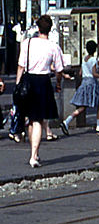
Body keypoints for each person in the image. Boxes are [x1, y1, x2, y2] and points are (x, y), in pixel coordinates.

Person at [15, 15, 70, 168]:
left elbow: (20, 66)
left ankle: (35, 152)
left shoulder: (27, 43)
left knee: (32, 120)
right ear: (50, 29)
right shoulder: (53, 47)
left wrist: (18, 86)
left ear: (38, 28)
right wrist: (58, 83)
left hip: (28, 81)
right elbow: (59, 69)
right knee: (39, 120)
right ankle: (33, 156)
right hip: (43, 82)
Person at [62, 41, 99, 133]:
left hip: (84, 83)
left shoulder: (84, 60)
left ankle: (67, 121)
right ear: (94, 49)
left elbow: (80, 73)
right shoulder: (93, 60)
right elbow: (94, 73)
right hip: (92, 83)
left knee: (82, 106)